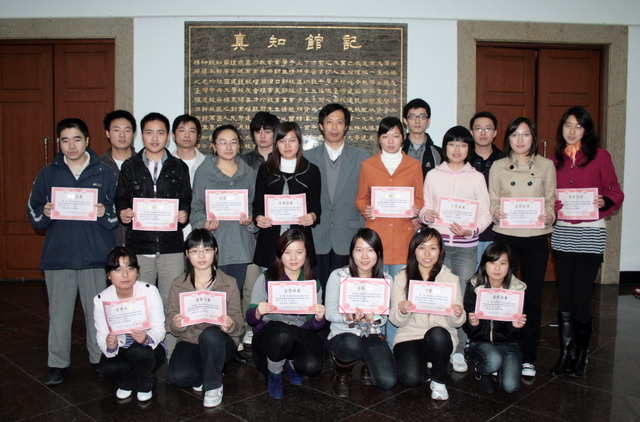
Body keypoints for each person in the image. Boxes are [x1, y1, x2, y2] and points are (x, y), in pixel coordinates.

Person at [27, 118, 118, 385]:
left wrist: (104, 212)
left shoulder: (105, 173)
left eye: (77, 139)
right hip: (59, 256)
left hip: (95, 256)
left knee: (97, 314)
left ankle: (99, 358)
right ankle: (57, 364)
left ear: (87, 141)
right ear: (59, 143)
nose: (72, 145)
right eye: (65, 140)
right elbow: (33, 212)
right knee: (59, 315)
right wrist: (45, 212)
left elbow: (118, 214)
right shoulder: (48, 174)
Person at [549, 106, 624, 378]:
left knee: (581, 297)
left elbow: (615, 192)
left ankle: (582, 354)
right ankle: (565, 354)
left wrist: (603, 201)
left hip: (591, 232)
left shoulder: (600, 156)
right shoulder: (554, 161)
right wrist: (553, 206)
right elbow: (548, 196)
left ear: (586, 130)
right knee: (565, 297)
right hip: (563, 233)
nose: (572, 131)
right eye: (567, 125)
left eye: (578, 126)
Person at [114, 112, 192, 354]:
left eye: (160, 133)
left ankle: (171, 351)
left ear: (168, 136)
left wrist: (184, 214)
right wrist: (124, 212)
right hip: (140, 246)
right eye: (149, 132)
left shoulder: (179, 167)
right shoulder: (130, 166)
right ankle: (143, 351)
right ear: (142, 135)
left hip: (171, 247)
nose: (155, 138)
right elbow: (121, 199)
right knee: (141, 302)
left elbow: (186, 199)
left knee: (171, 301)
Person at [418, 125, 491, 373]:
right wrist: (426, 215)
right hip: (436, 248)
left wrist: (472, 230)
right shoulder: (433, 175)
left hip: (465, 249)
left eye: (462, 144)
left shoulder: (476, 177)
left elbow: (485, 213)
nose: (457, 149)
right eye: (452, 144)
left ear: (469, 149)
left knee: (460, 298)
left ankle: (458, 349)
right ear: (445, 147)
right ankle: (434, 347)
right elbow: (425, 206)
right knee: (435, 296)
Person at [489, 117, 556, 377]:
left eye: (525, 134)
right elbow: (493, 200)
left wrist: (549, 214)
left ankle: (528, 355)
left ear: (533, 138)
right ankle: (502, 348)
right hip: (506, 235)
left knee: (532, 296)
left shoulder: (546, 165)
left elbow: (550, 199)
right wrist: (496, 211)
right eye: (515, 134)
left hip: (535, 236)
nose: (520, 139)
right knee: (502, 294)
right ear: (508, 138)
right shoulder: (498, 166)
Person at [190, 124, 256, 363]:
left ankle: (233, 344)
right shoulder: (204, 172)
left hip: (239, 245)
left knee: (234, 299)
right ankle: (211, 345)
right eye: (222, 142)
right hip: (213, 247)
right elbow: (196, 208)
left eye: (233, 142)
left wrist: (250, 221)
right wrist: (204, 224)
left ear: (240, 145)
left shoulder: (248, 172)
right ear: (214, 146)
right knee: (212, 298)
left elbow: (253, 208)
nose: (228, 147)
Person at [356, 116, 424, 345]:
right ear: (379, 139)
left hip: (403, 238)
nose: (391, 141)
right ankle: (372, 344)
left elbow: (420, 199)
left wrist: (415, 209)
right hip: (376, 238)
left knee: (398, 296)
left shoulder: (413, 165)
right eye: (385, 136)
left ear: (403, 138)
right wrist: (366, 209)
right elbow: (360, 198)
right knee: (374, 293)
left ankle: (396, 344)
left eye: (396, 136)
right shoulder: (368, 165)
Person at [167, 229, 243, 408]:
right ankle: (214, 367)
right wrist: (176, 323)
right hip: (190, 339)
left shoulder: (229, 282)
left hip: (220, 341)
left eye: (207, 250)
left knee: (210, 334)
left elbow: (239, 324)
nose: (201, 256)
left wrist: (230, 324)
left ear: (215, 251)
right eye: (195, 251)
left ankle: (213, 386)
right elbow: (170, 322)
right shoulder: (178, 284)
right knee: (178, 378)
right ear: (187, 254)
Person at [246, 229, 326, 399]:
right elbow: (250, 318)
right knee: (282, 333)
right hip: (270, 335)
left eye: (299, 252)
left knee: (312, 366)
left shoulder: (313, 282)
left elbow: (313, 325)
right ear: (279, 254)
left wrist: (319, 317)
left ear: (306, 253)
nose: (293, 258)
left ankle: (291, 364)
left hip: (298, 332)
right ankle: (274, 373)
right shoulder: (267, 277)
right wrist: (258, 311)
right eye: (287, 252)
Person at [390, 228, 465, 401]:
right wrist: (402, 311)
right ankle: (428, 364)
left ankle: (439, 379)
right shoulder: (402, 277)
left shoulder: (451, 279)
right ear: (414, 250)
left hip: (440, 337)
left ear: (440, 251)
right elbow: (395, 319)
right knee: (409, 379)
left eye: (433, 248)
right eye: (422, 247)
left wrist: (457, 314)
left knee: (437, 334)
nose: (427, 254)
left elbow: (458, 322)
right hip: (409, 335)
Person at [305, 103, 369, 295]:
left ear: (346, 126)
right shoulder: (307, 158)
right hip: (316, 235)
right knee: (317, 292)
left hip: (349, 235)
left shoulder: (362, 158)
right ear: (321, 126)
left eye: (339, 122)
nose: (334, 127)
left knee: (347, 293)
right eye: (329, 122)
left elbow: (368, 195)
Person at [325, 228, 397, 397]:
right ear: (352, 253)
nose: (364, 256)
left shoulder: (386, 279)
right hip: (343, 334)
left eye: (370, 250)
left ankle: (367, 361)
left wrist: (375, 319)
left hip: (371, 333)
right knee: (352, 343)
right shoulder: (338, 276)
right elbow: (329, 314)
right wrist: (347, 317)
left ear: (378, 253)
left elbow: (384, 318)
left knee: (387, 382)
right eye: (359, 250)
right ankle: (342, 374)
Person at [93, 247, 166, 402]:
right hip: (122, 348)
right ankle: (130, 382)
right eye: (118, 269)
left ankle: (145, 385)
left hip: (148, 350)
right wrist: (110, 344)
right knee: (106, 368)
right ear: (109, 275)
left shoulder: (150, 291)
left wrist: (146, 338)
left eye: (130, 268)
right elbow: (101, 335)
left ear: (137, 272)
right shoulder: (101, 299)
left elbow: (159, 328)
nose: (125, 275)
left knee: (138, 352)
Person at [253, 122, 321, 269]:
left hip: (300, 240)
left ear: (299, 142)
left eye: (292, 140)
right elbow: (258, 203)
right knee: (269, 282)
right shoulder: (265, 169)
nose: (287, 146)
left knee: (298, 282)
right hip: (270, 240)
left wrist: (312, 216)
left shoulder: (311, 170)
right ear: (276, 144)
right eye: (282, 141)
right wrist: (258, 217)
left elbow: (316, 205)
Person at [463, 243, 527, 394]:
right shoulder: (474, 286)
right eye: (492, 262)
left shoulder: (517, 289)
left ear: (509, 266)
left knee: (510, 387)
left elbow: (516, 334)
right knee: (493, 360)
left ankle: (500, 366)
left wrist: (515, 326)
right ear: (484, 265)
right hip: (481, 343)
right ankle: (482, 370)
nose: (497, 268)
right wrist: (473, 324)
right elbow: (468, 329)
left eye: (503, 263)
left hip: (508, 344)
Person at [240, 111, 281, 348]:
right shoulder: (243, 161)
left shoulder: (285, 159)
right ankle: (250, 329)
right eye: (258, 131)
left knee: (275, 283)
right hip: (248, 233)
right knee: (251, 285)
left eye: (268, 130)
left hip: (275, 233)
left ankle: (275, 326)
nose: (263, 135)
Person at [468, 111, 506, 264]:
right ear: (472, 132)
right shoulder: (463, 160)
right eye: (478, 128)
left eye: (488, 128)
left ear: (495, 132)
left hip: (497, 230)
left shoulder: (505, 161)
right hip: (468, 230)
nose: (483, 133)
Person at [101, 110, 137, 246]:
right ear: (107, 133)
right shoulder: (97, 167)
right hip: (106, 238)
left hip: (137, 240)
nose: (122, 135)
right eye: (116, 130)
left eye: (127, 130)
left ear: (133, 134)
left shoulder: (144, 164)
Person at [401, 98, 443, 178]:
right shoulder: (398, 150)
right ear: (405, 120)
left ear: (428, 120)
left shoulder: (439, 153)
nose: (417, 121)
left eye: (422, 117)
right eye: (412, 117)